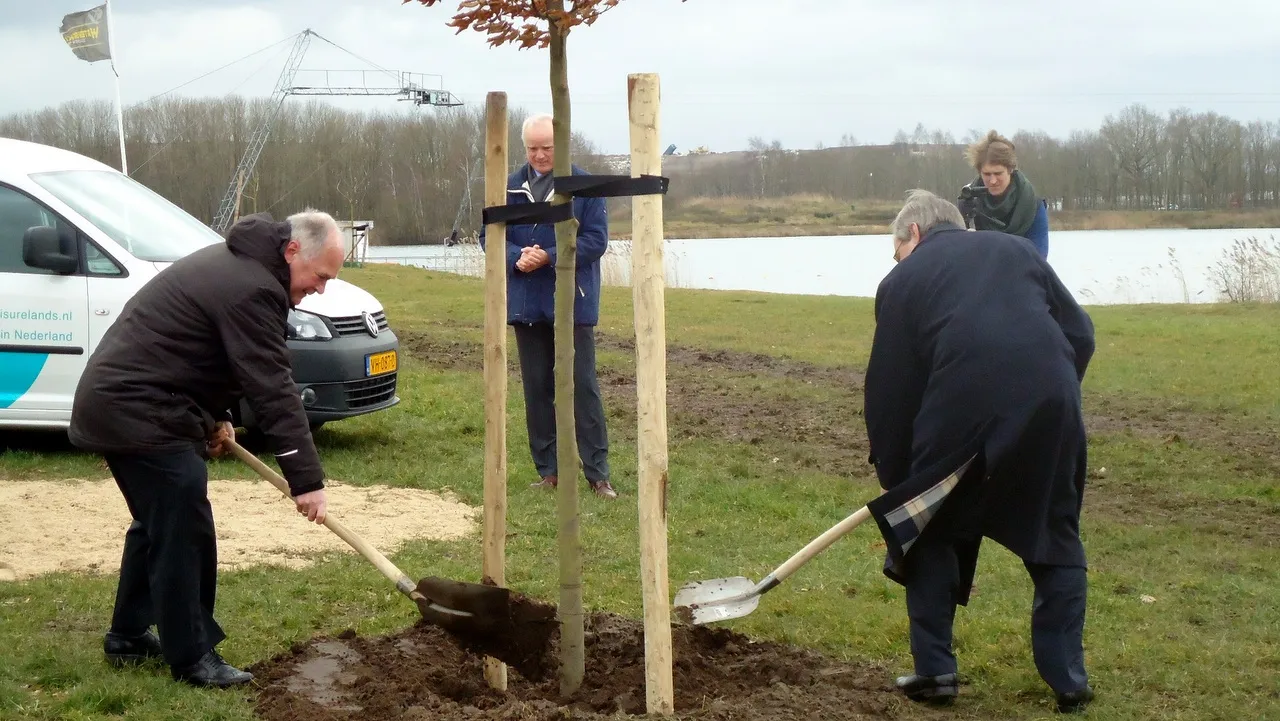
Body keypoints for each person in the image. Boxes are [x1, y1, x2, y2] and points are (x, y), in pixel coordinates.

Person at [68, 209, 345, 687]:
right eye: (320, 277)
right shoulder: (253, 286)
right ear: (293, 250)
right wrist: (307, 481)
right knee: (183, 522)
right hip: (136, 408)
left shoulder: (242, 267)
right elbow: (272, 387)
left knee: (160, 521)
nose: (321, 289)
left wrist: (219, 419)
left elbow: (203, 353)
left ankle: (129, 635)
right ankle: (193, 656)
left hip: (129, 402)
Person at [864, 190, 1096, 713]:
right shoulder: (1018, 251)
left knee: (927, 532)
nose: (896, 260)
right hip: (1052, 404)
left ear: (914, 235)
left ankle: (936, 673)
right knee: (1053, 531)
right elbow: (1080, 333)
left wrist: (896, 475)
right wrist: (1053, 395)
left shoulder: (902, 281)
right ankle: (1069, 679)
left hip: (961, 406)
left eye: (895, 248)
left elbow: (891, 388)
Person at [479, 113, 616, 499]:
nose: (539, 155)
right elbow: (487, 235)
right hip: (526, 303)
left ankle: (598, 474)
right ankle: (549, 471)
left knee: (582, 387)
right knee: (537, 389)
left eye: (547, 148)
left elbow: (595, 241)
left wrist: (550, 257)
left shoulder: (585, 188)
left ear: (562, 144)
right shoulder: (507, 187)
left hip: (572, 304)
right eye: (532, 148)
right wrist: (514, 257)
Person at [957, 130, 1050, 258]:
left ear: (1010, 170)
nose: (993, 181)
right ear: (979, 172)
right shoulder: (968, 203)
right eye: (987, 174)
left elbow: (1039, 259)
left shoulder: (1033, 206)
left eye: (998, 173)